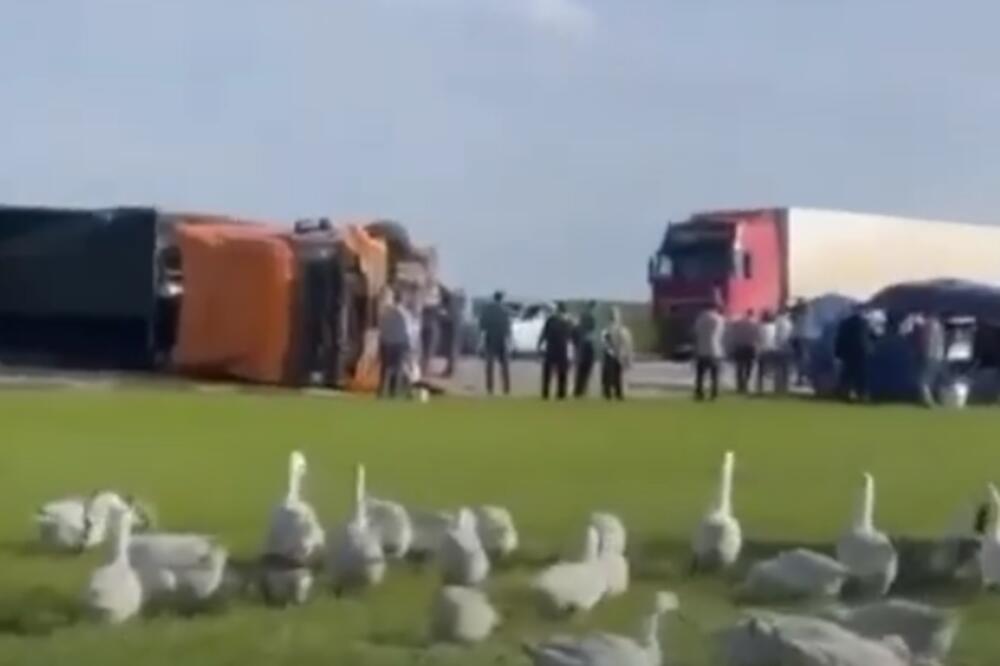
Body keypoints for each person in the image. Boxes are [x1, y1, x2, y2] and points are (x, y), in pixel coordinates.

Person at [835, 307, 874, 402]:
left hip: (848, 353)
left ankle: (844, 393)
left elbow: (840, 339)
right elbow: (869, 337)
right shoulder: (864, 323)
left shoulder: (845, 323)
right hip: (860, 352)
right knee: (860, 375)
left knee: (847, 374)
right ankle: (861, 394)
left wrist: (838, 353)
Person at [377, 289, 410, 399]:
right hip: (398, 343)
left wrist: (381, 342)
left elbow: (381, 328)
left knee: (385, 369)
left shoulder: (386, 312)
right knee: (397, 368)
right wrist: (408, 345)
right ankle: (393, 391)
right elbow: (408, 330)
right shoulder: (404, 313)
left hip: (387, 342)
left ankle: (382, 391)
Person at [479, 291, 513, 396]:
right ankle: (506, 388)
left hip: (490, 339)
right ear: (501, 299)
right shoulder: (505, 310)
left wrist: (482, 339)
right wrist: (509, 339)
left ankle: (490, 388)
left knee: (490, 365)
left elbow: (482, 325)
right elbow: (508, 327)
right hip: (502, 339)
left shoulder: (487, 310)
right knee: (504, 366)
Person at [538, 302, 573, 400]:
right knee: (562, 373)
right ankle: (561, 393)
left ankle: (545, 393)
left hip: (551, 348)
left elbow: (544, 333)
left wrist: (539, 344)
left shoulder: (551, 320)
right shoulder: (567, 322)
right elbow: (570, 336)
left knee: (547, 372)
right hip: (562, 349)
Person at [693, 299, 726, 401]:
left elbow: (696, 332)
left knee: (700, 375)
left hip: (702, 349)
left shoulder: (700, 318)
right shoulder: (719, 318)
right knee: (715, 375)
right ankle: (714, 393)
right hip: (715, 349)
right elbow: (721, 333)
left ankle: (699, 392)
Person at [601, 307, 634, 400]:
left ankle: (615, 393)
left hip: (615, 354)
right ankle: (611, 393)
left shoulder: (614, 329)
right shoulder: (608, 330)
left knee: (615, 374)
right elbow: (606, 343)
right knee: (612, 374)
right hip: (612, 354)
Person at [918, 312, 946, 406]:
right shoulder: (938, 325)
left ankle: (928, 400)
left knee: (925, 380)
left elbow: (924, 341)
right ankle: (932, 399)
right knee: (931, 379)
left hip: (930, 354)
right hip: (937, 354)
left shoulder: (928, 324)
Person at [728, 310, 758, 394]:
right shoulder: (755, 323)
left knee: (739, 367)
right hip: (750, 347)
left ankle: (739, 385)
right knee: (749, 367)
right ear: (752, 314)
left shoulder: (739, 322)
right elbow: (757, 336)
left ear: (746, 314)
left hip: (739, 346)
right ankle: (746, 384)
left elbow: (734, 332)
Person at [574, 301, 598, 398]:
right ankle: (582, 390)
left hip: (581, 347)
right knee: (586, 370)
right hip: (586, 347)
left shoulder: (582, 318)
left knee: (581, 370)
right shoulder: (590, 318)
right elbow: (591, 332)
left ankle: (578, 390)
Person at [755, 310, 778, 394]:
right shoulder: (774, 327)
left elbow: (758, 338)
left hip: (762, 350)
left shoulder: (761, 327)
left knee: (761, 371)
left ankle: (760, 388)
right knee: (771, 370)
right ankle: (772, 387)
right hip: (772, 349)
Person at [773, 307, 794, 394]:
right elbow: (791, 335)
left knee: (778, 369)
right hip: (786, 347)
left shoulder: (776, 321)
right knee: (786, 369)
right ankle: (784, 387)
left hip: (777, 347)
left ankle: (777, 387)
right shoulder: (788, 323)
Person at [789, 298, 809, 386]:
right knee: (803, 359)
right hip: (804, 338)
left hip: (798, 338)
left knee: (799, 359)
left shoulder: (796, 315)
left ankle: (800, 378)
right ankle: (802, 378)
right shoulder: (807, 316)